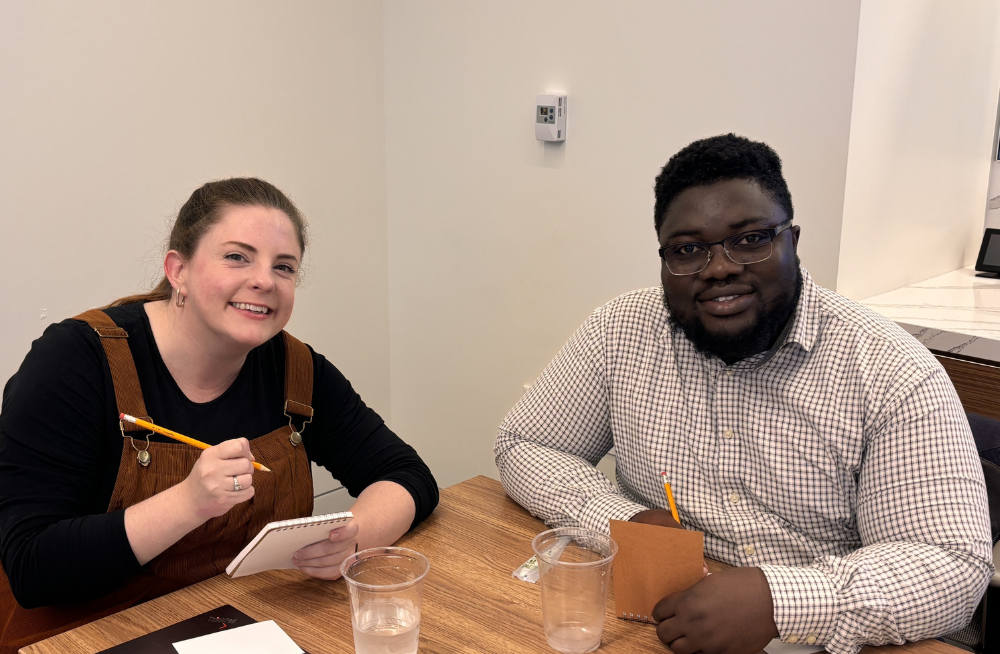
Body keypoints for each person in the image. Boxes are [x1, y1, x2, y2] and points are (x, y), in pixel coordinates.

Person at [495, 135, 993, 654]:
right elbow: (525, 445)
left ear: (793, 241)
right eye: (688, 250)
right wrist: (619, 521)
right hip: (662, 620)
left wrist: (780, 602)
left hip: (842, 638)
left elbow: (952, 566)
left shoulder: (890, 369)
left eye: (749, 239)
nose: (718, 268)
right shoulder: (620, 331)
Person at [0, 178, 438, 652]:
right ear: (178, 270)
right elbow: (30, 567)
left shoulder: (295, 368)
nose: (265, 281)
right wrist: (187, 503)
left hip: (252, 626)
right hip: (97, 633)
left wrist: (352, 539)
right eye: (237, 257)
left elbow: (408, 475)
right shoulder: (74, 361)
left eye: (284, 267)